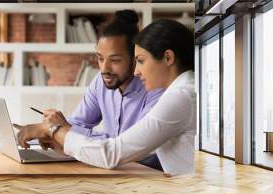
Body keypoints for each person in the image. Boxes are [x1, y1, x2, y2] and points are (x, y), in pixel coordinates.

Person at [18, 19, 195, 176]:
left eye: (140, 61)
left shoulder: (179, 97)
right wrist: (60, 135)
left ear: (168, 57)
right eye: (100, 59)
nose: (136, 71)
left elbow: (113, 153)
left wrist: (54, 130)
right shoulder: (181, 91)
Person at [66, 10, 164, 140]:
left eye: (115, 60)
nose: (104, 69)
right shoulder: (100, 82)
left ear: (135, 58)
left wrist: (62, 131)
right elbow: (77, 124)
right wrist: (57, 129)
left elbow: (132, 145)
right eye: (100, 58)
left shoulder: (154, 87)